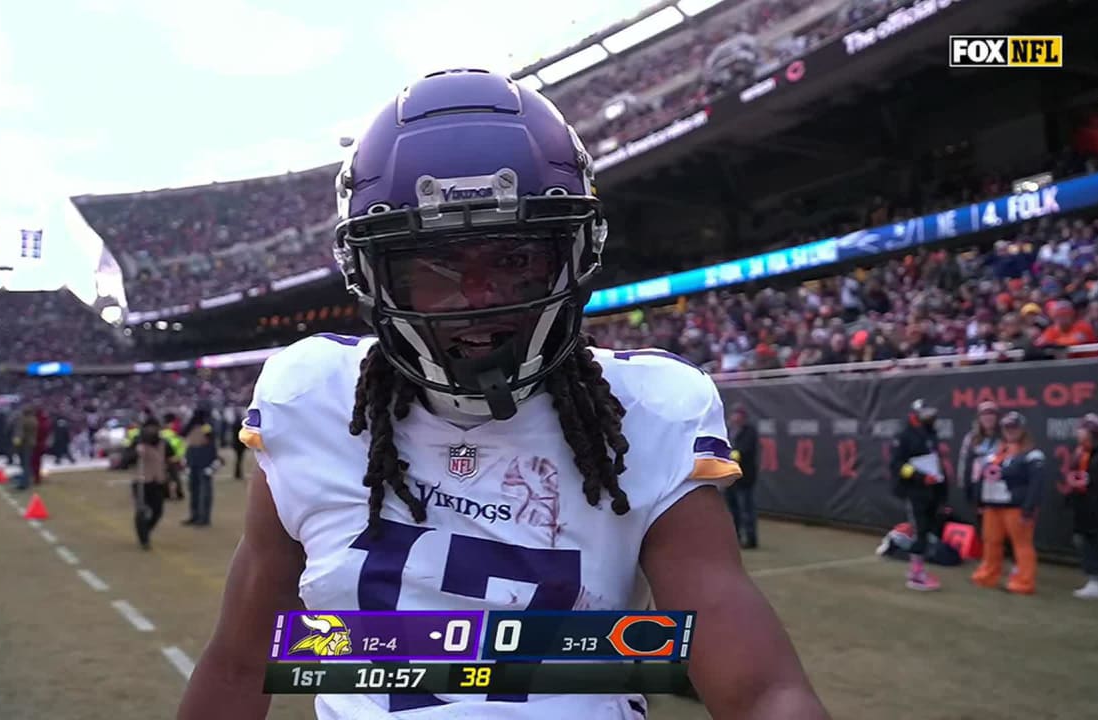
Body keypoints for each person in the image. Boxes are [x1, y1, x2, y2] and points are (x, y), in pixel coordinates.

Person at [178, 69, 827, 720]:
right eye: (433, 266)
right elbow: (243, 662)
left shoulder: (646, 415)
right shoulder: (313, 402)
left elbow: (760, 691)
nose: (478, 296)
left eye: (514, 259)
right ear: (371, 274)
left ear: (577, 254)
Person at [970, 412, 1046, 595]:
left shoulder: (1032, 454)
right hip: (992, 505)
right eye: (1006, 428)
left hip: (1016, 506)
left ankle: (1023, 582)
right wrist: (980, 500)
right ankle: (986, 576)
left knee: (1021, 544)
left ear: (1022, 429)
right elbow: (982, 477)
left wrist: (1029, 508)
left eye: (1014, 427)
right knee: (991, 542)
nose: (1010, 431)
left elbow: (1037, 484)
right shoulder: (997, 452)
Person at [890, 398, 947, 591]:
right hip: (914, 491)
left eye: (932, 415)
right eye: (926, 414)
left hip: (931, 490)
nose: (930, 418)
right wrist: (919, 477)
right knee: (919, 531)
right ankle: (916, 576)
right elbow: (897, 466)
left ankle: (917, 568)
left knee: (926, 529)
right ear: (915, 414)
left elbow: (936, 462)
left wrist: (938, 484)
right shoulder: (904, 435)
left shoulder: (931, 433)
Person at [1062, 413, 1098, 598]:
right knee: (1088, 542)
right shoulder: (1081, 452)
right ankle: (1095, 580)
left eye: (1083, 429)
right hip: (1085, 506)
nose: (1079, 432)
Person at [130, 417, 174, 550]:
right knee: (141, 511)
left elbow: (170, 459)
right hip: (141, 481)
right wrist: (136, 452)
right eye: (149, 427)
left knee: (158, 511)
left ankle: (146, 529)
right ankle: (144, 539)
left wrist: (171, 477)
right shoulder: (138, 442)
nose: (152, 430)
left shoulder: (164, 443)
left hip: (158, 481)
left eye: (154, 427)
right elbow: (127, 459)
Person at [957, 401, 1001, 515]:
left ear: (997, 417)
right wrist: (965, 486)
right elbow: (964, 462)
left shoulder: (1005, 436)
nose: (988, 417)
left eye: (991, 413)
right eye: (984, 414)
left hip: (1000, 487)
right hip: (979, 489)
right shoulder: (971, 438)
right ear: (979, 418)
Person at [725, 404, 759, 549]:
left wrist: (730, 455)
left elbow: (743, 450)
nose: (735, 417)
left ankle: (751, 539)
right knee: (732, 510)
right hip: (729, 477)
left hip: (745, 478)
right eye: (734, 414)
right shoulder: (728, 431)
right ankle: (735, 538)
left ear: (743, 417)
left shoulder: (750, 432)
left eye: (738, 414)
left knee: (746, 510)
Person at [182, 408, 217, 526]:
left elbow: (211, 442)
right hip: (195, 457)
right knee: (195, 490)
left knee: (203, 491)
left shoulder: (203, 427)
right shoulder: (202, 426)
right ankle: (196, 515)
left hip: (201, 457)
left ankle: (203, 517)